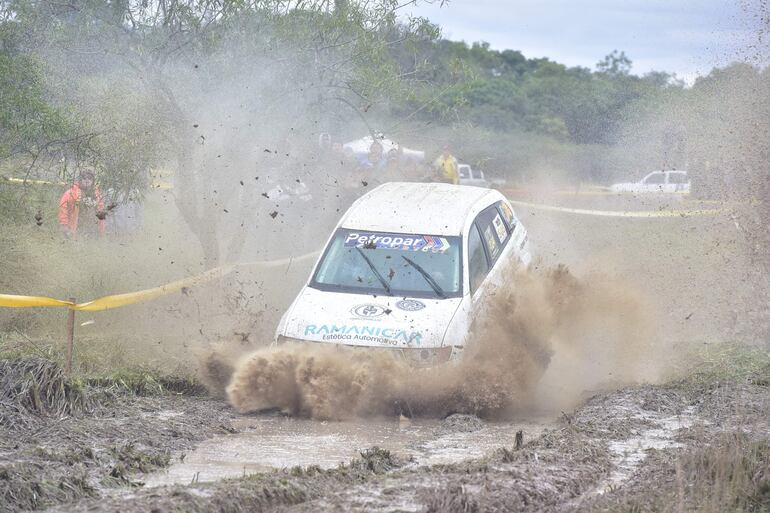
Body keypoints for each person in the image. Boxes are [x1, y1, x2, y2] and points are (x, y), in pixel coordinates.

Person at [58, 170, 106, 239]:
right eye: (84, 178)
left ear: (93, 181)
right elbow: (63, 209)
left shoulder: (97, 194)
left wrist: (101, 229)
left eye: (89, 178)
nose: (87, 180)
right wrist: (64, 224)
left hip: (92, 228)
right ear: (80, 180)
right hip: (76, 227)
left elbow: (101, 212)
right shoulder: (71, 192)